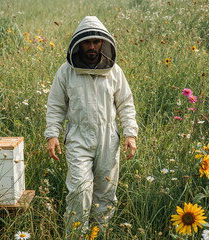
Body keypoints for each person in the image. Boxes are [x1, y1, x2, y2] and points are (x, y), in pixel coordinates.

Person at [44, 16, 138, 232]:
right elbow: (56, 105)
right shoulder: (66, 72)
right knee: (79, 190)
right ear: (79, 44)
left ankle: (98, 235)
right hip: (78, 137)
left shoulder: (115, 72)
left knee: (105, 194)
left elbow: (125, 104)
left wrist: (130, 134)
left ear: (103, 43)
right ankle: (76, 236)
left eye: (96, 42)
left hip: (108, 138)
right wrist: (52, 135)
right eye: (87, 42)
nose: (92, 46)